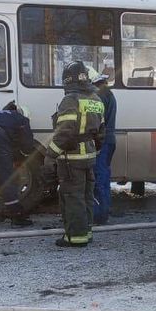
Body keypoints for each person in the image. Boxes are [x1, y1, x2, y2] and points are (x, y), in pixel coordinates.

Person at [45, 61, 105, 247]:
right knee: (87, 196)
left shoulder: (70, 100)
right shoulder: (96, 99)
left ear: (68, 80)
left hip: (72, 159)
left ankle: (76, 237)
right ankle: (86, 232)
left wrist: (50, 155)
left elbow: (65, 132)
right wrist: (93, 150)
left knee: (73, 197)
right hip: (89, 157)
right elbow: (101, 132)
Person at [91, 67, 116, 224]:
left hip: (102, 142)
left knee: (99, 178)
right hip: (109, 140)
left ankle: (99, 215)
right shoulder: (108, 94)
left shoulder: (99, 96)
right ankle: (103, 211)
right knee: (104, 178)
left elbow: (96, 122)